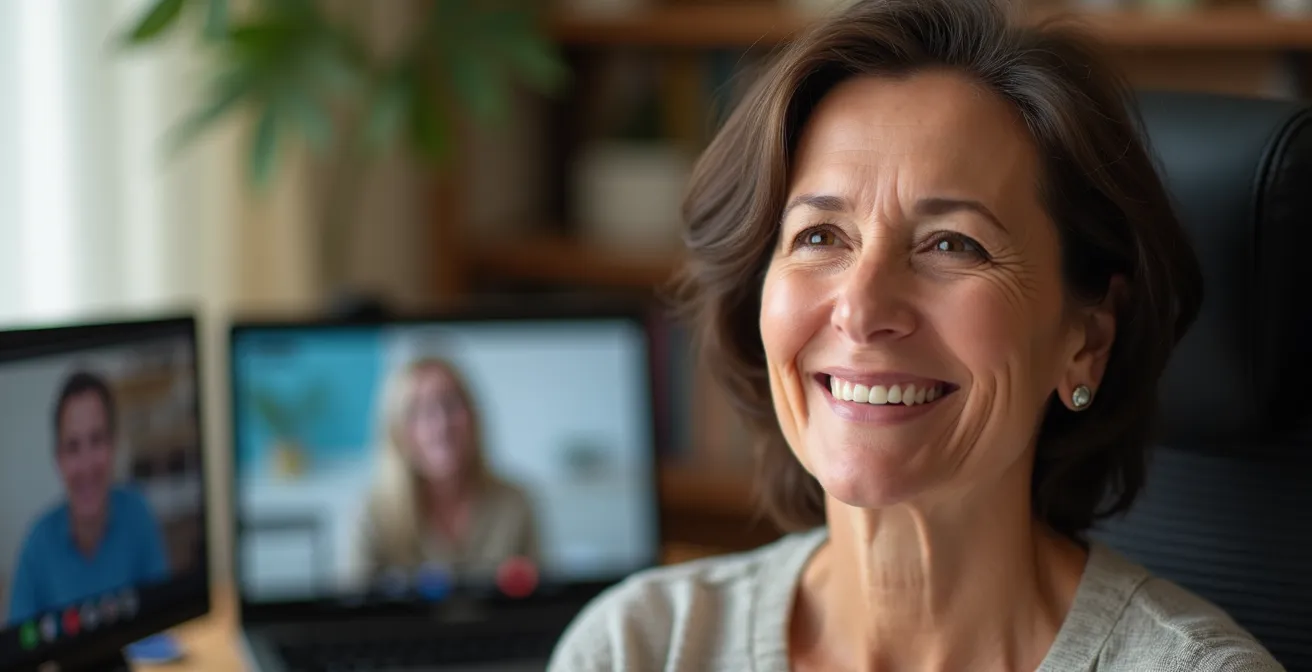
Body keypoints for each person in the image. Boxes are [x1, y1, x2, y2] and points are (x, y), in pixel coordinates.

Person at [548, 0, 1285, 670]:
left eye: (952, 245)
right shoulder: (637, 646)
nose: (862, 309)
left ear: (1085, 336)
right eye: (820, 235)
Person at [357, 357, 540, 585]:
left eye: (451, 404)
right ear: (396, 430)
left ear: (473, 416)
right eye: (418, 411)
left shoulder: (515, 503)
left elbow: (539, 602)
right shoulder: (373, 513)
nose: (440, 424)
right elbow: (355, 610)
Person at [6, 371, 170, 625]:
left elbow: (163, 622)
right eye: (73, 447)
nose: (87, 466)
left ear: (114, 445)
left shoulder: (139, 514)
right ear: (58, 459)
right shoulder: (36, 544)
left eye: (97, 440)